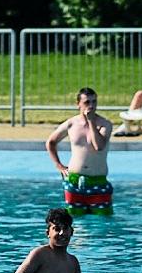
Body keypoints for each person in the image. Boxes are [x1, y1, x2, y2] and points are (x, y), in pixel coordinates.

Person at [48, 86, 115, 214]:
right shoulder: (71, 124)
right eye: (87, 102)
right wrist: (59, 166)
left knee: (102, 221)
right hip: (74, 181)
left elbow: (99, 146)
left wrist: (91, 122)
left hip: (98, 181)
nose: (91, 105)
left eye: (94, 102)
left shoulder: (104, 124)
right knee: (75, 221)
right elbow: (51, 142)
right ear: (78, 104)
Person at [12, 208, 83, 273]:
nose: (62, 233)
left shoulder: (73, 261)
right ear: (48, 233)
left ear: (71, 232)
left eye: (65, 228)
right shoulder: (39, 254)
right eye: (57, 229)